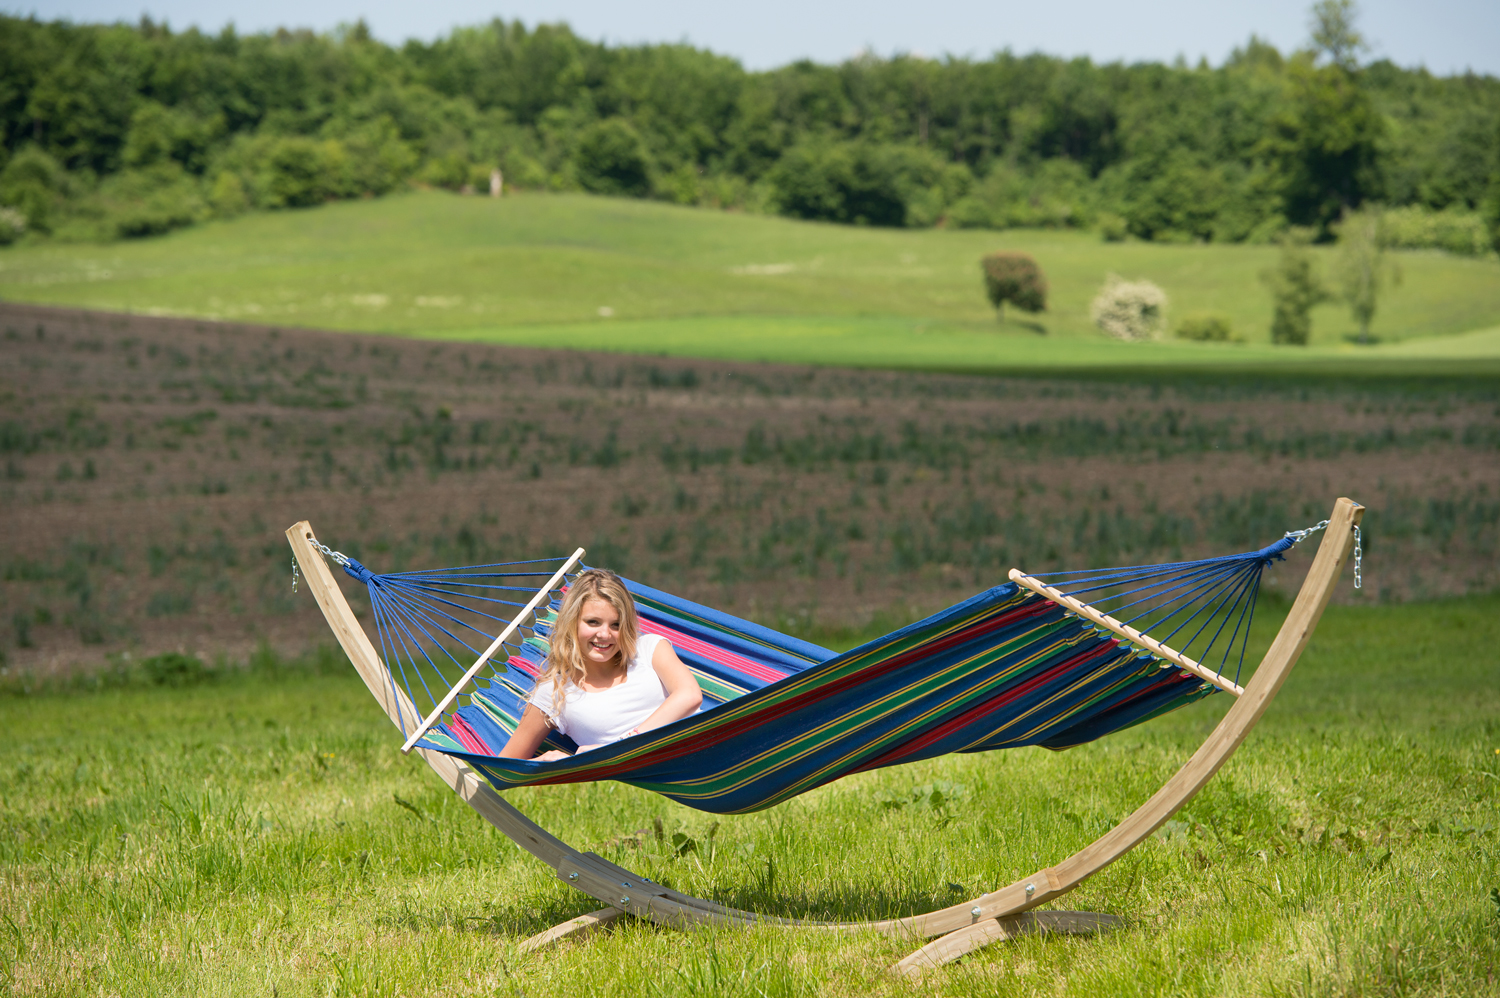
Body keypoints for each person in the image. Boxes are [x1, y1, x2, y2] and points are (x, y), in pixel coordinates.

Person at [499, 568, 702, 761]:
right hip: (653, 770)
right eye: (593, 622)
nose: (605, 635)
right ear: (572, 622)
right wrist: (547, 762)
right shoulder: (555, 693)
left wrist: (624, 744)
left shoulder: (649, 649)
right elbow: (507, 766)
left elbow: (690, 695)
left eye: (616, 624)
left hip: (705, 744)